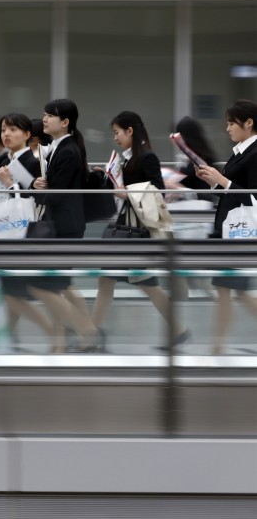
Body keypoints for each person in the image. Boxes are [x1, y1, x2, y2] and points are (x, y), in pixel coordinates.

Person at [89, 111, 189, 348]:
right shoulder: (130, 157)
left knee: (138, 283)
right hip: (128, 226)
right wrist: (107, 177)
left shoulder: (146, 157)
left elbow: (159, 190)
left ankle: (91, 336)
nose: (115, 137)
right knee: (120, 282)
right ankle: (92, 334)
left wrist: (127, 191)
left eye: (117, 132)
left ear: (129, 131)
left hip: (135, 229)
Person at [0, 113, 57, 347]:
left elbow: (32, 195)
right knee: (12, 291)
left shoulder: (31, 160)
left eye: (12, 130)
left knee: (13, 292)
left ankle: (53, 333)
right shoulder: (10, 158)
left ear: (28, 135)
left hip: (21, 232)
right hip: (11, 231)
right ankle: (6, 339)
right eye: (3, 130)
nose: (6, 134)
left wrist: (10, 183)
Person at [29, 98, 106, 352]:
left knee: (45, 286)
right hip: (65, 224)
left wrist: (35, 191)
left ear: (65, 122)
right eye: (44, 114)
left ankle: (89, 333)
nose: (45, 119)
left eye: (50, 116)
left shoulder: (67, 151)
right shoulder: (63, 147)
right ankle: (72, 340)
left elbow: (59, 194)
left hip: (63, 225)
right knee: (61, 285)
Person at [197, 99, 257, 354]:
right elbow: (233, 188)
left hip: (241, 232)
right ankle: (217, 345)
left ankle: (217, 345)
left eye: (232, 123)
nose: (228, 129)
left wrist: (222, 180)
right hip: (230, 230)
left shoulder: (255, 153)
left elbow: (253, 195)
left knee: (232, 289)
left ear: (249, 123)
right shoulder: (240, 151)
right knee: (227, 289)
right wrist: (214, 181)